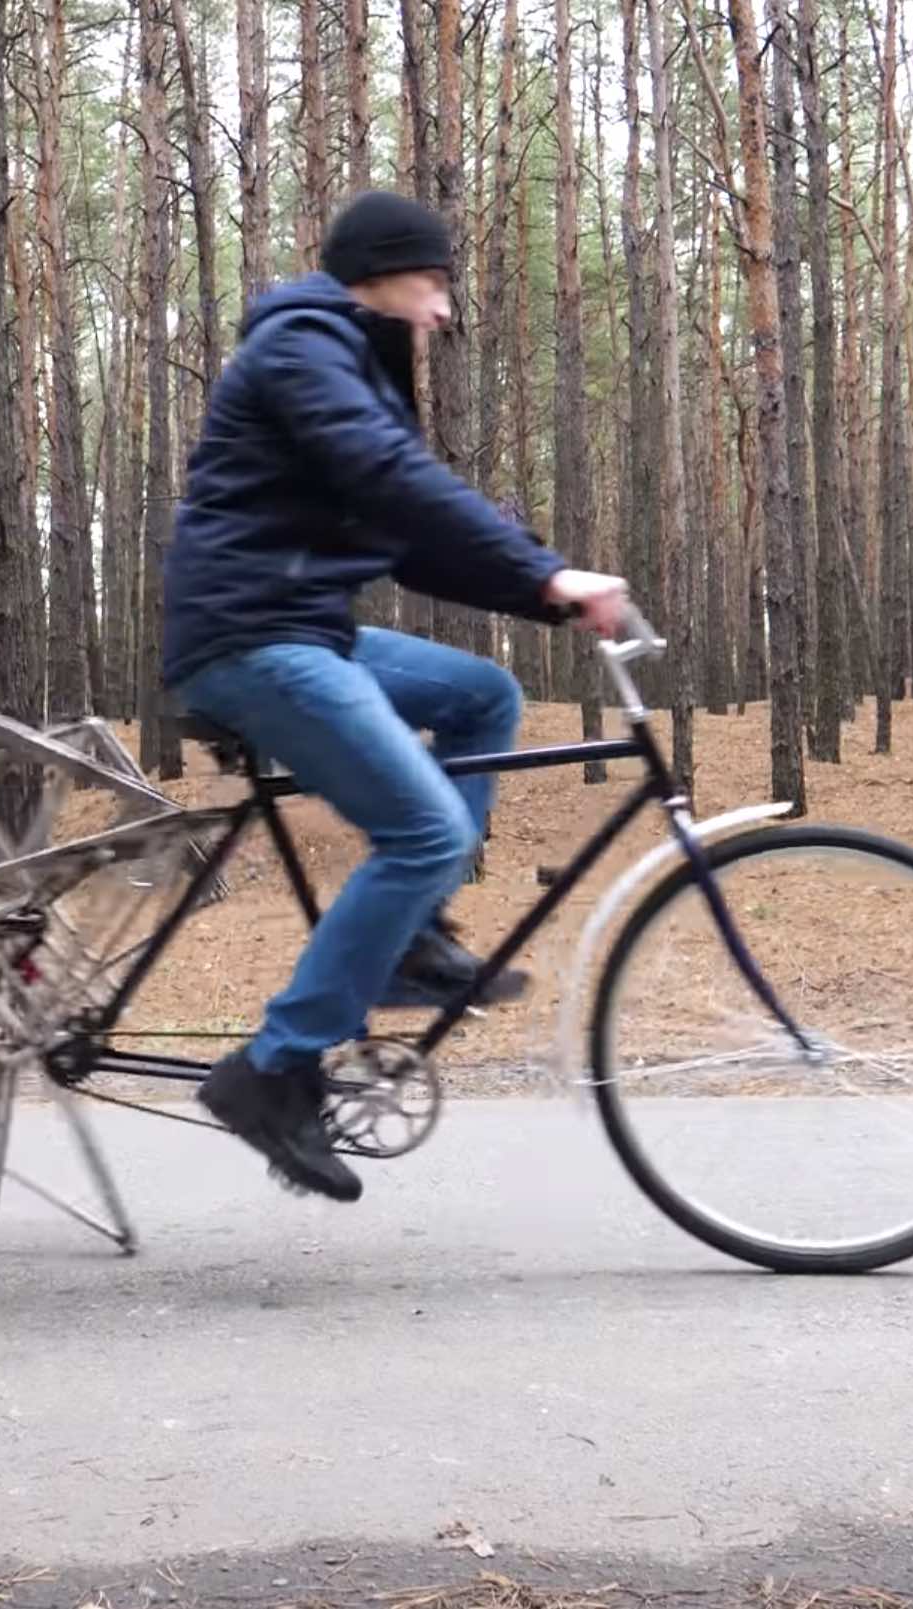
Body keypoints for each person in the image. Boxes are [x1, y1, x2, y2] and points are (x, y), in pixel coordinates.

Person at [162, 190, 628, 1203]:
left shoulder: (341, 365)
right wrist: (550, 574)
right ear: (379, 275)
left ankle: (408, 939)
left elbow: (412, 539)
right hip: (250, 638)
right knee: (421, 827)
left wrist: (545, 594)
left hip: (302, 625)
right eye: (433, 283)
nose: (443, 310)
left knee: (478, 697)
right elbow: (393, 478)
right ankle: (275, 1069)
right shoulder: (301, 351)